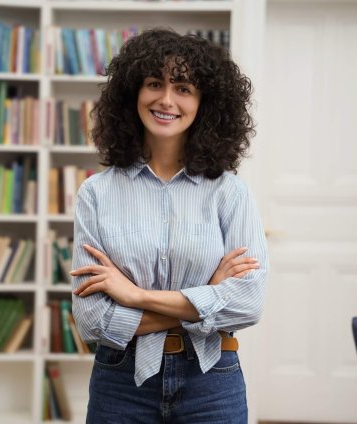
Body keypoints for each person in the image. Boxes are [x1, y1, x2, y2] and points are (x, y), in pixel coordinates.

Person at [70, 28, 268, 424]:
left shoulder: (230, 193)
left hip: (211, 381)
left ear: (204, 103)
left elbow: (248, 303)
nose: (166, 99)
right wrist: (209, 296)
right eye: (154, 84)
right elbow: (92, 320)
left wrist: (133, 295)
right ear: (133, 94)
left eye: (183, 88)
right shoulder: (96, 193)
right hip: (121, 382)